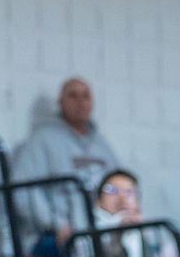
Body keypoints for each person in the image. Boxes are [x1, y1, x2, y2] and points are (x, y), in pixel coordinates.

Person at [11, 77, 121, 241]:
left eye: (85, 96)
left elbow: (121, 187)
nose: (80, 102)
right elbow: (22, 191)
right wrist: (55, 225)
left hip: (101, 234)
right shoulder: (42, 140)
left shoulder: (103, 147)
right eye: (73, 96)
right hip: (55, 236)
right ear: (60, 101)